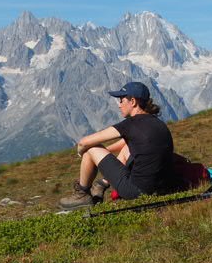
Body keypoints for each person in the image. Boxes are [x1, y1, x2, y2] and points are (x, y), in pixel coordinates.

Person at [58, 80, 180, 209]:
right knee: (125, 147)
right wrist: (103, 155)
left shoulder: (130, 124)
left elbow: (84, 142)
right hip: (163, 188)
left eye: (122, 100)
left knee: (91, 148)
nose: (119, 105)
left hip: (136, 192)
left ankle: (82, 194)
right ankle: (101, 184)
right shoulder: (157, 123)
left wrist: (83, 152)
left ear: (133, 102)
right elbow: (127, 143)